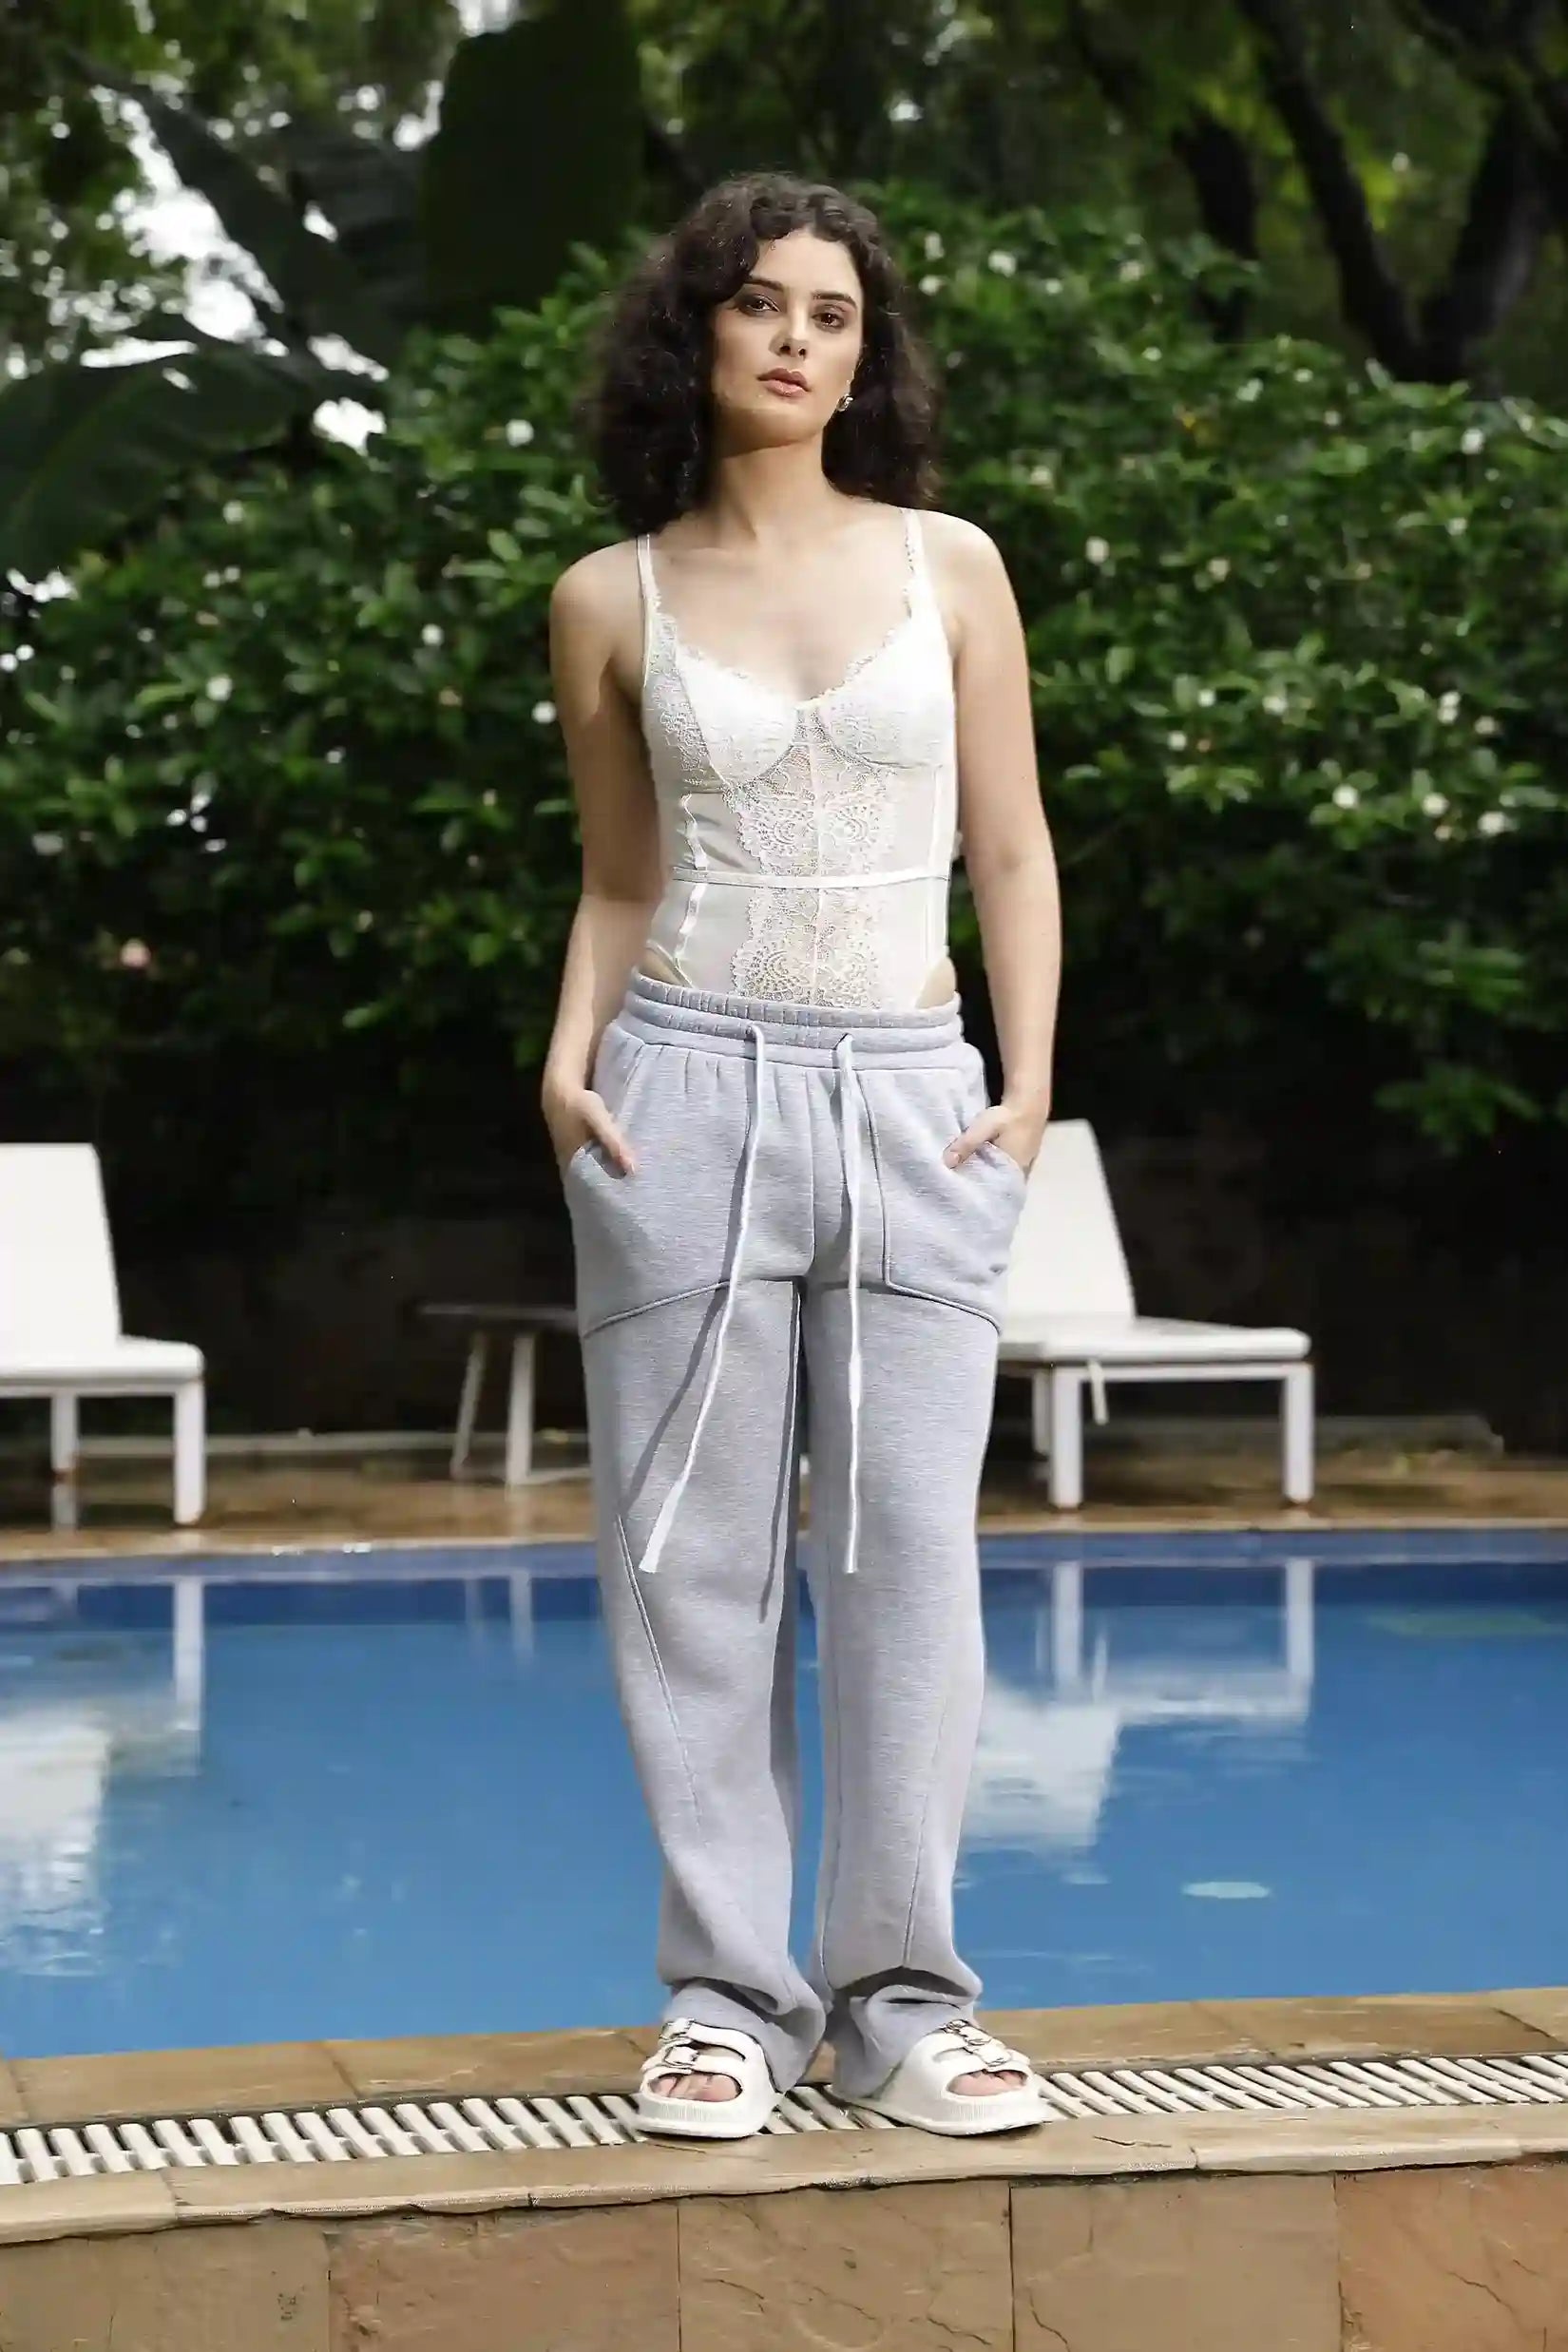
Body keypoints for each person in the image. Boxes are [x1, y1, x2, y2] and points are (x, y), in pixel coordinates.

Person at [541, 172, 1061, 2140]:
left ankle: (908, 1997)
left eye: (832, 314)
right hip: (677, 1088)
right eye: (760, 305)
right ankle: (729, 2001)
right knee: (688, 1565)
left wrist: (1022, 1087)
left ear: (867, 355)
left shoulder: (951, 566)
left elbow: (1009, 845)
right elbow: (618, 876)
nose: (795, 338)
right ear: (698, 333)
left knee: (911, 1557)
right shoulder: (613, 594)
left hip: (914, 1091)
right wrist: (568, 1061)